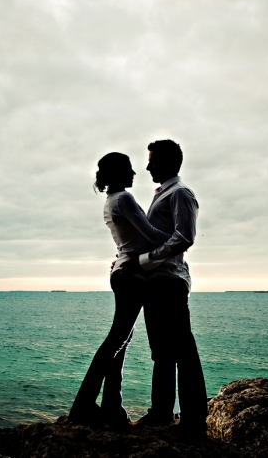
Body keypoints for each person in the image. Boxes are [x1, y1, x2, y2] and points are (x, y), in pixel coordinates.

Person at [68, 152, 170, 427]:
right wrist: (178, 239)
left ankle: (112, 408)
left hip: (124, 272)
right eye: (129, 169)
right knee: (115, 342)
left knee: (119, 345)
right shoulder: (123, 198)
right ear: (119, 173)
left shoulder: (111, 200)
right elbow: (150, 234)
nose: (134, 173)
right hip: (131, 276)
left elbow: (132, 239)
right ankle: (83, 407)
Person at [119, 139, 208, 436]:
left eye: (153, 161)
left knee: (183, 350)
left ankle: (194, 421)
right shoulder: (164, 193)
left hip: (169, 280)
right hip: (156, 281)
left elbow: (184, 238)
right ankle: (160, 414)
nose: (147, 166)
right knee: (162, 351)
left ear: (169, 162)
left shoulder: (181, 193)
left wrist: (143, 260)